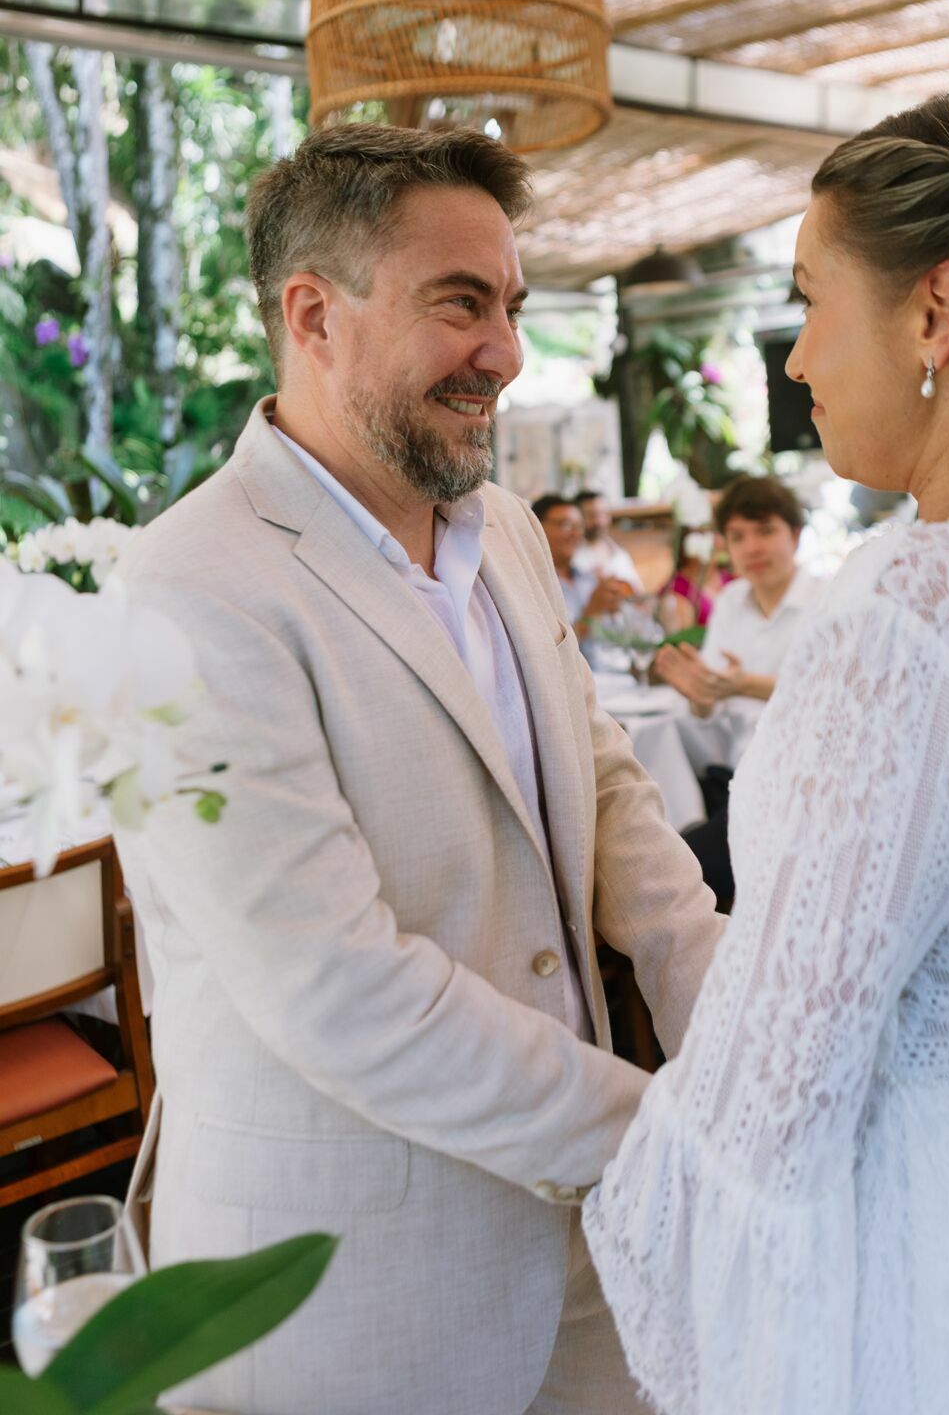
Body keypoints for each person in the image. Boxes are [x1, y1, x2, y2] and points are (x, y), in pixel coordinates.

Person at [114, 123, 723, 1415]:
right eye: (459, 304)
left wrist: (725, 1019)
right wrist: (660, 1135)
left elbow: (605, 787)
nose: (502, 353)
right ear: (312, 315)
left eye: (507, 305)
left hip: (589, 1262)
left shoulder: (499, 525)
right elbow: (336, 989)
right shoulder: (183, 588)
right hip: (353, 1293)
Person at [583, 88, 949, 1413]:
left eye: (807, 302)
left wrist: (629, 1186)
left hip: (923, 1277)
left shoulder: (914, 623)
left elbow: (770, 1098)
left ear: (934, 313)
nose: (793, 361)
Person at [655, 477, 821, 910]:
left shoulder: (829, 598)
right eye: (738, 536)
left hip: (802, 792)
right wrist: (700, 694)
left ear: (796, 535)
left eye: (765, 531)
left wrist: (746, 685)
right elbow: (710, 704)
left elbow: (836, 697)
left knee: (671, 879)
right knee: (655, 853)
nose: (752, 548)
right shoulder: (731, 599)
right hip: (736, 780)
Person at [532, 492, 633, 654]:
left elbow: (617, 642)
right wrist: (592, 611)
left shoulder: (590, 579)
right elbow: (548, 654)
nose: (576, 534)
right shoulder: (534, 586)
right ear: (536, 527)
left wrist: (615, 612)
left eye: (579, 527)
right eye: (566, 525)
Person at [572, 489, 642, 590]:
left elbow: (638, 591)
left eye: (603, 514)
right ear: (577, 518)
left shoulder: (620, 553)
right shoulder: (573, 558)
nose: (599, 521)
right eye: (591, 516)